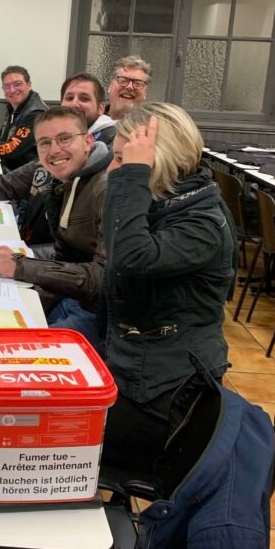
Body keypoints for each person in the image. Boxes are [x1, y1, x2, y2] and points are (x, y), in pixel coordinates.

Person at [99, 103, 236, 472]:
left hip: (166, 399)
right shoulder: (170, 205)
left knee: (48, 429)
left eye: (120, 160)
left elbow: (129, 257)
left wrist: (132, 176)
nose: (111, 170)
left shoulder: (202, 224)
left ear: (156, 162)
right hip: (137, 371)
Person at [0, 71, 118, 249]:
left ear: (88, 141)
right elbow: (8, 183)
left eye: (84, 98)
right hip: (32, 243)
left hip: (45, 260)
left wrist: (24, 263)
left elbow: (92, 262)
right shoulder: (21, 118)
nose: (55, 149)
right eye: (69, 97)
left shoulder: (108, 168)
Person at [0, 106, 109, 347]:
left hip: (100, 313)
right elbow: (66, 258)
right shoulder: (62, 179)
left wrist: (23, 268)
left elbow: (105, 278)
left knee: (12, 347)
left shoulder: (105, 188)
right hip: (73, 295)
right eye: (45, 143)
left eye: (65, 139)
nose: (54, 150)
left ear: (88, 141)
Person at [0, 65, 47, 171]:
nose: (11, 90)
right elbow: (6, 132)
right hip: (12, 168)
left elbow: (11, 149)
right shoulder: (17, 106)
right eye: (6, 86)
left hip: (25, 174)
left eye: (17, 84)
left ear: (29, 85)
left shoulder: (35, 114)